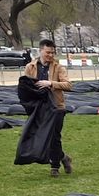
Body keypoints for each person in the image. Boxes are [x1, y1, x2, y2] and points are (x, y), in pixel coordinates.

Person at [17, 39, 73, 176]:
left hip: (57, 107)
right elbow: (27, 86)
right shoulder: (30, 67)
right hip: (40, 107)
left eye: (52, 53)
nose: (50, 55)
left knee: (54, 137)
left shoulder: (58, 67)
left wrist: (51, 83)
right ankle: (63, 157)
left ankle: (54, 167)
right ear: (41, 50)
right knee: (44, 136)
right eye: (48, 52)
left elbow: (68, 85)